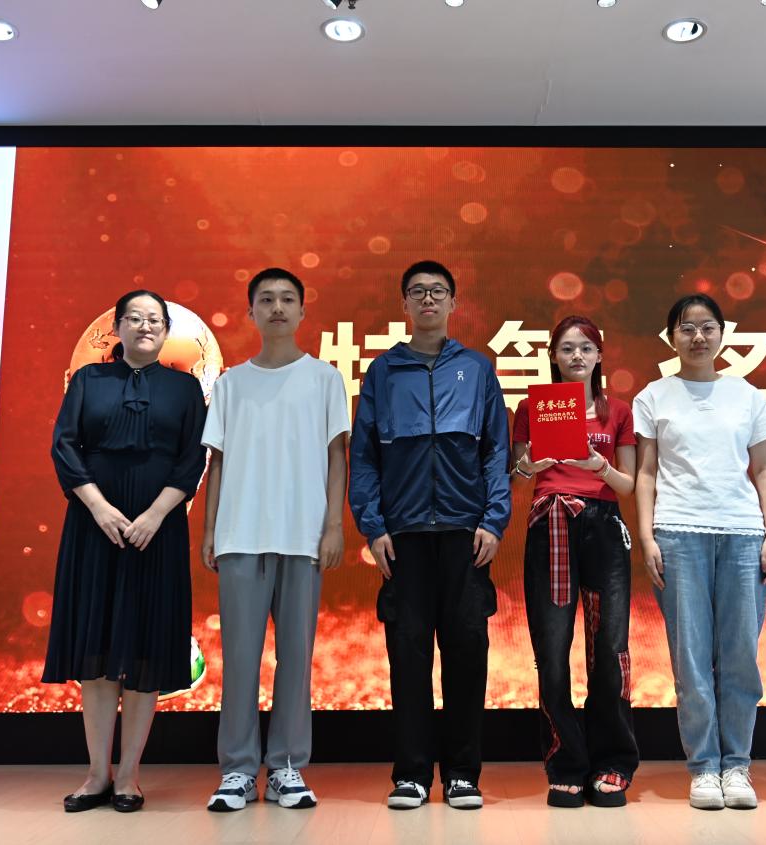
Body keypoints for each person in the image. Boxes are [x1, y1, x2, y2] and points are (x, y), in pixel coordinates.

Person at [349, 259, 511, 811]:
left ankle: (463, 774)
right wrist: (373, 526)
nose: (427, 300)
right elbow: (364, 456)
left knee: (467, 653)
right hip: (404, 536)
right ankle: (412, 775)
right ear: (404, 304)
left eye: (437, 291)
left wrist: (493, 520)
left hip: (466, 535)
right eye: (417, 292)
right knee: (408, 655)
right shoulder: (384, 372)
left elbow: (495, 450)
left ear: (453, 303)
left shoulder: (477, 369)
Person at [44, 289, 207, 813]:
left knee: (144, 651)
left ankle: (129, 777)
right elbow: (64, 446)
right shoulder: (89, 380)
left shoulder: (185, 388)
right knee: (95, 654)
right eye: (134, 318)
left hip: (156, 532)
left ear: (166, 330)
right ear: (116, 327)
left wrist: (156, 515)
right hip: (95, 527)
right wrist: (98, 508)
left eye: (154, 319)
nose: (145, 326)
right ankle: (97, 774)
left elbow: (192, 458)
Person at [200, 268, 349, 812]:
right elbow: (216, 463)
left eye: (288, 299)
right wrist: (211, 530)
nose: (278, 308)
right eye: (266, 300)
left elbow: (337, 457)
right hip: (240, 534)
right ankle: (238, 770)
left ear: (303, 311)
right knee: (240, 659)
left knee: (296, 658)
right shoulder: (230, 385)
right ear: (251, 312)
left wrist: (333, 526)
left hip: (302, 536)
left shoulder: (325, 379)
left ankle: (287, 766)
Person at [633, 293, 766, 811]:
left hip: (742, 535)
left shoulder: (746, 395)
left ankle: (737, 765)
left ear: (722, 333)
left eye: (707, 327)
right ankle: (703, 768)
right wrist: (648, 537)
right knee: (692, 659)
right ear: (671, 337)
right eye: (686, 328)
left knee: (740, 656)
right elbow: (646, 474)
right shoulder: (654, 396)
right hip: (678, 534)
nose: (698, 337)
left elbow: (765, 470)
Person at [511, 315, 639, 808]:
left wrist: (598, 466)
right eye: (567, 348)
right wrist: (532, 464)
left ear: (599, 355)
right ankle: (565, 763)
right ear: (553, 356)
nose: (577, 356)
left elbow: (628, 485)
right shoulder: (533, 408)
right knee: (552, 647)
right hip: (551, 524)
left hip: (603, 525)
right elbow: (518, 474)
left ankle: (613, 762)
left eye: (586, 348)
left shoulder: (617, 411)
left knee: (609, 647)